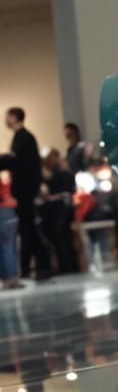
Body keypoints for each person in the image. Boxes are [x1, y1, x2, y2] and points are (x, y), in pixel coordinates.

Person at [4, 108, 52, 280]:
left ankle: (40, 265)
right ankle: (32, 267)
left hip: (25, 190)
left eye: (8, 116)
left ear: (15, 117)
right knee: (27, 228)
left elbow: (19, 162)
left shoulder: (24, 137)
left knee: (28, 228)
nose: (6, 120)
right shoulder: (22, 137)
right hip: (25, 190)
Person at [41, 150, 78, 274]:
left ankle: (67, 265)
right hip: (61, 210)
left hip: (59, 211)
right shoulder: (61, 175)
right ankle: (69, 265)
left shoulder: (59, 176)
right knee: (64, 238)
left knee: (62, 238)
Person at [0, 168, 20, 289]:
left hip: (5, 211)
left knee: (3, 247)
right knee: (8, 245)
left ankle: (5, 278)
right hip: (6, 211)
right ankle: (11, 277)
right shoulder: (6, 184)